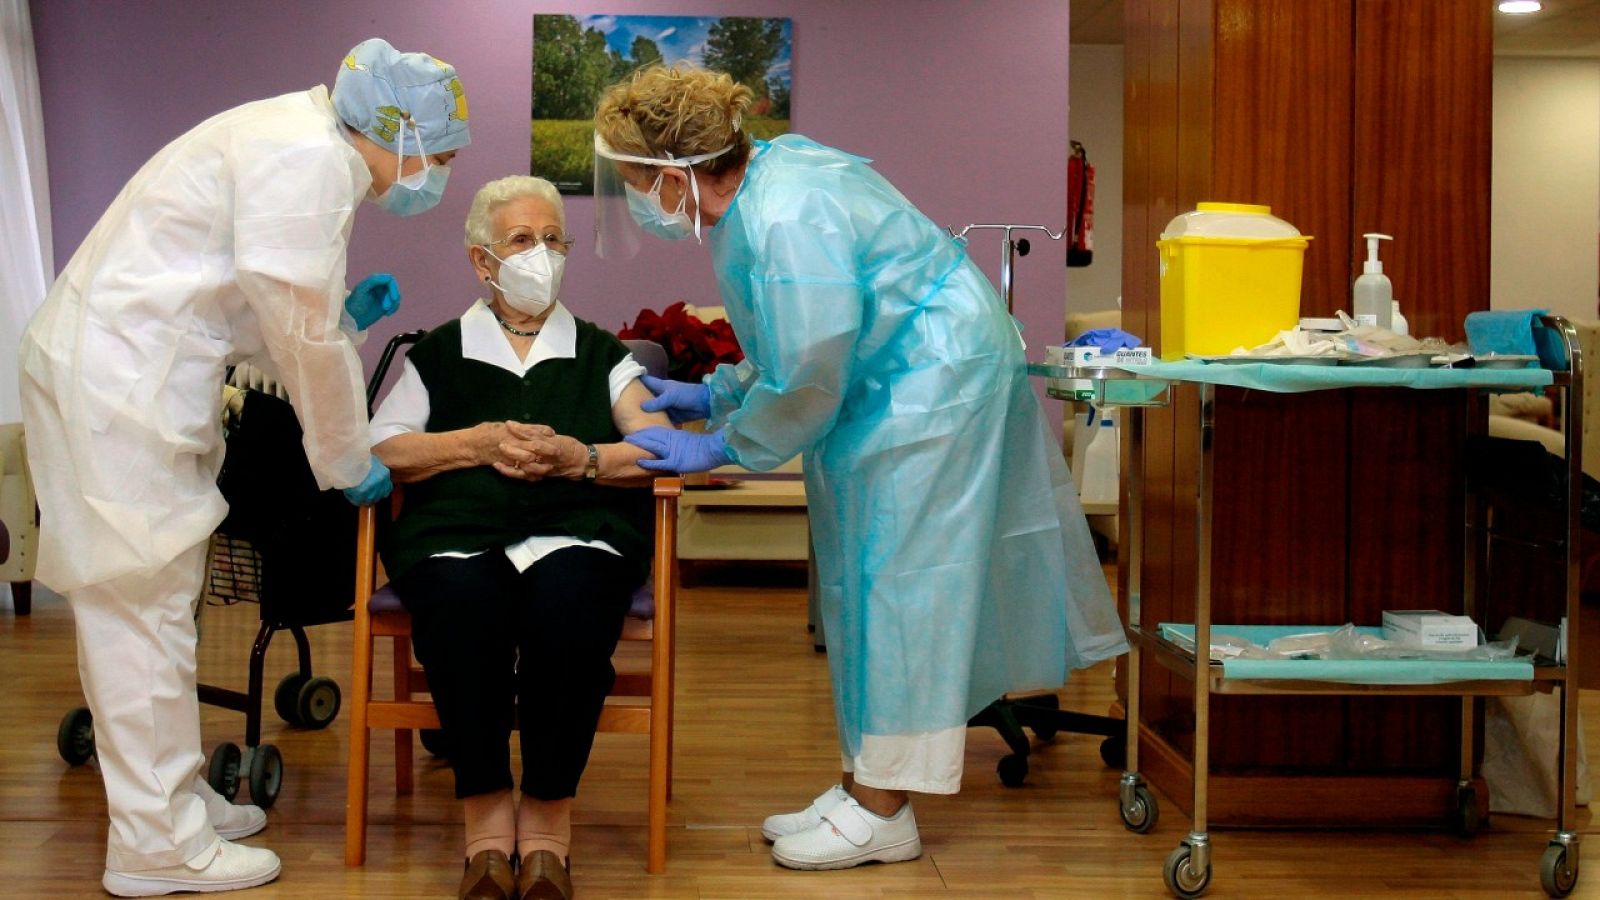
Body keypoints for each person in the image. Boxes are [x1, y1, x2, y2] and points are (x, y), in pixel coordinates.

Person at [593, 64, 1129, 871]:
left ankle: (886, 811)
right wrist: (718, 392)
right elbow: (787, 339)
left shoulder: (785, 212)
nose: (636, 198)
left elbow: (812, 366)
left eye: (638, 182)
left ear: (676, 176)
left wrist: (726, 443)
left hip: (930, 387)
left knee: (903, 585)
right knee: (858, 581)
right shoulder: (762, 192)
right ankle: (862, 785)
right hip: (893, 384)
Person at [19, 38, 469, 896]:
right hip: (117, 387)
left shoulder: (294, 140)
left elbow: (263, 306)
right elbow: (295, 334)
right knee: (140, 611)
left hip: (128, 379)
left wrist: (339, 317)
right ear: (398, 134)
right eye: (438, 158)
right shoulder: (308, 163)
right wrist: (349, 456)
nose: (433, 179)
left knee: (163, 608)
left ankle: (175, 800)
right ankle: (157, 850)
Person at [368, 175, 670, 900]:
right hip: (458, 534)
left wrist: (584, 459)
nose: (543, 254)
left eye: (553, 240)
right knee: (459, 605)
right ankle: (483, 828)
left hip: (577, 530)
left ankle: (545, 830)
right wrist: (470, 444)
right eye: (522, 241)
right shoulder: (438, 355)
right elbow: (382, 449)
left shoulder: (601, 354)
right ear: (482, 261)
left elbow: (658, 447)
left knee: (569, 606)